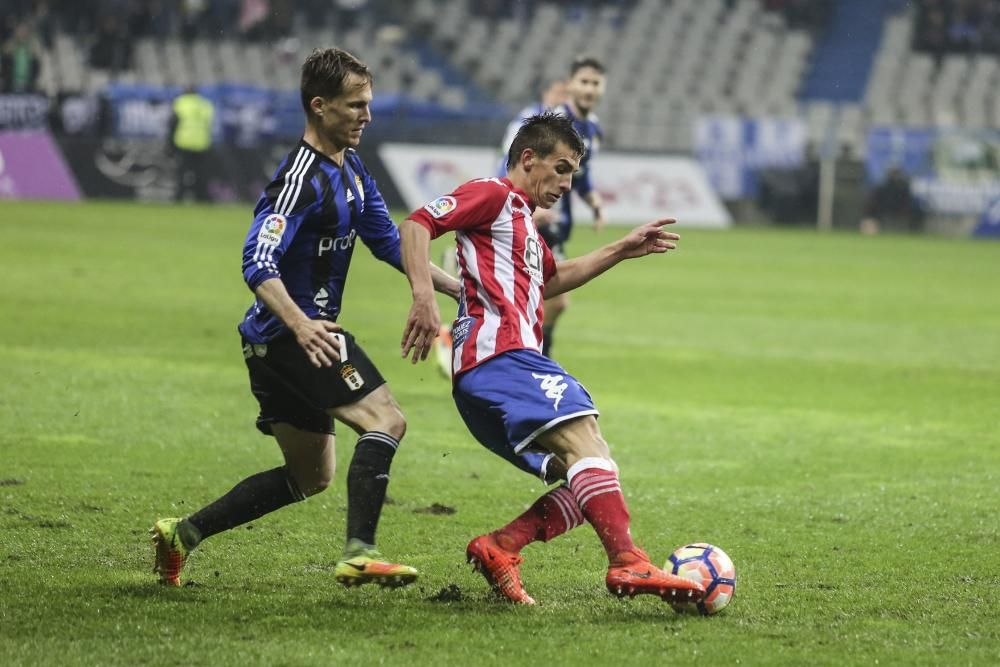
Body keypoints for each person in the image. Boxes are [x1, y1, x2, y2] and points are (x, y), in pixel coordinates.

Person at [151, 47, 461, 589]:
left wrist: (463, 291)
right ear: (319, 106)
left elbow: (389, 243)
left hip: (274, 342)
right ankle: (360, 553)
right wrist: (300, 323)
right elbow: (257, 259)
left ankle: (183, 534)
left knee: (309, 476)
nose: (367, 115)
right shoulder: (298, 179)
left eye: (369, 103)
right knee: (386, 420)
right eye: (355, 105)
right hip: (296, 335)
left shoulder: (353, 167)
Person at [397, 112, 705, 606]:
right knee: (587, 447)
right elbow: (415, 225)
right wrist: (422, 295)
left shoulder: (521, 221)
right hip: (501, 359)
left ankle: (500, 547)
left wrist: (621, 249)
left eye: (573, 173)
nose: (566, 183)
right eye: (560, 168)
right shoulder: (492, 194)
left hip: (492, 371)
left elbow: (553, 280)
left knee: (589, 470)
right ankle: (627, 562)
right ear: (527, 158)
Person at [509, 57, 607, 358]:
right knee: (550, 299)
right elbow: (517, 162)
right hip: (538, 220)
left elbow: (580, 173)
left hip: (557, 222)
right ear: (570, 85)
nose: (589, 88)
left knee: (538, 298)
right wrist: (530, 206)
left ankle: (532, 360)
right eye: (583, 81)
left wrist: (593, 201)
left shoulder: (593, 129)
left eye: (595, 82)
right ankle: (537, 362)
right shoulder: (553, 122)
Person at [169, 85, 215, 203]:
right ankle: (201, 198)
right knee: (201, 174)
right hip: (201, 143)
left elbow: (172, 123)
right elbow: (209, 124)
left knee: (182, 173)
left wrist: (170, 144)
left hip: (184, 143)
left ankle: (179, 198)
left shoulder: (180, 103)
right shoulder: (205, 104)